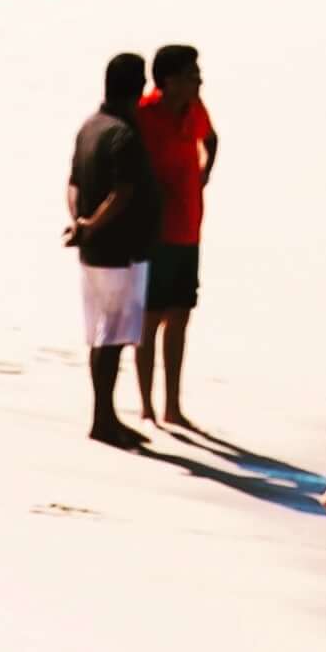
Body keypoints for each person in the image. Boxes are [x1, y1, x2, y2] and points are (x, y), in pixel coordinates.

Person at [67, 51, 159, 441]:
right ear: (138, 88)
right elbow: (122, 193)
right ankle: (103, 420)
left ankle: (103, 415)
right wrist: (94, 224)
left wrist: (81, 223)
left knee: (103, 334)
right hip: (120, 250)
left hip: (94, 248)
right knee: (113, 337)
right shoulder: (124, 133)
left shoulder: (90, 126)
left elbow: (73, 185)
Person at [135, 43, 215, 423]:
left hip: (189, 229)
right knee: (150, 318)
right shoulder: (144, 113)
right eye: (190, 73)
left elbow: (211, 139)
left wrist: (204, 175)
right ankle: (147, 406)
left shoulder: (194, 108)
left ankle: (172, 406)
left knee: (181, 316)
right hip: (154, 233)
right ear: (168, 80)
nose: (198, 79)